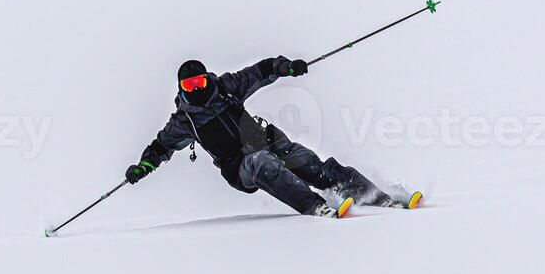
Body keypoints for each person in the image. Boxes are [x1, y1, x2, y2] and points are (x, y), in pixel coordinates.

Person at [124, 57, 419, 217]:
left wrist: (285, 67)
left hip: (267, 140)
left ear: (206, 78)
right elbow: (161, 146)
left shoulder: (226, 87)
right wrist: (144, 166)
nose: (197, 89)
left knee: (312, 165)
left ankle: (376, 197)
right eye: (189, 85)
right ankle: (314, 205)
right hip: (240, 166)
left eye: (199, 81)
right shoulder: (184, 119)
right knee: (262, 163)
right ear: (181, 88)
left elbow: (260, 71)